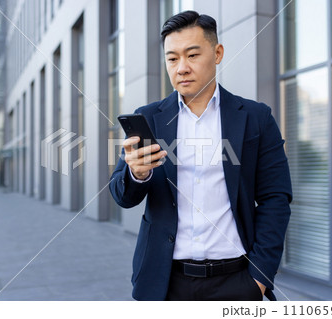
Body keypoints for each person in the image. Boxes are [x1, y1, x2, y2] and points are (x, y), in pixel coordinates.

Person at [109, 10, 292, 301]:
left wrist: (260, 277)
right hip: (164, 283)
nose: (181, 68)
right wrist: (137, 173)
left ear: (217, 53)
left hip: (238, 282)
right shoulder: (149, 118)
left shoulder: (256, 118)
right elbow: (122, 195)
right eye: (172, 58)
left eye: (192, 55)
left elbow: (276, 198)